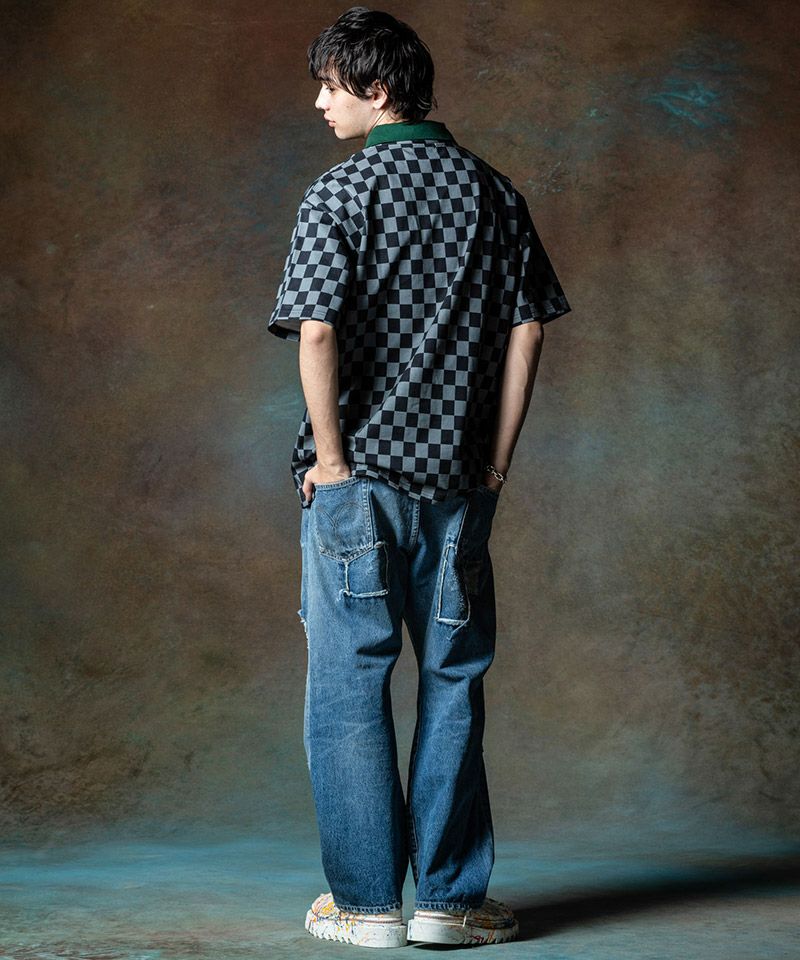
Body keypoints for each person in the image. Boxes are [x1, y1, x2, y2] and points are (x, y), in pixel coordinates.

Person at [268, 6, 570, 948]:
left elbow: (317, 329)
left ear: (378, 88)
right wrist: (495, 463)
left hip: (356, 483)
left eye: (331, 85)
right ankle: (448, 902)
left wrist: (330, 461)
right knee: (452, 681)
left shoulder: (340, 193)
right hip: (459, 487)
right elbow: (529, 330)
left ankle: (366, 908)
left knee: (349, 689)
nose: (321, 103)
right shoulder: (494, 194)